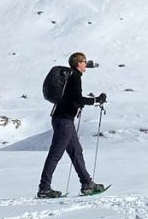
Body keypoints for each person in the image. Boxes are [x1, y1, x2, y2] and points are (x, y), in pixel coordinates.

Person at [37, 52, 108, 198]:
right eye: (84, 62)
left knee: (76, 151)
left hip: (63, 119)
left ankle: (87, 183)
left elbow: (72, 99)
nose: (86, 65)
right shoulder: (75, 77)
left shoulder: (72, 77)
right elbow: (77, 100)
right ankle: (44, 188)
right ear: (78, 63)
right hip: (64, 121)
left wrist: (90, 100)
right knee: (55, 154)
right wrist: (96, 100)